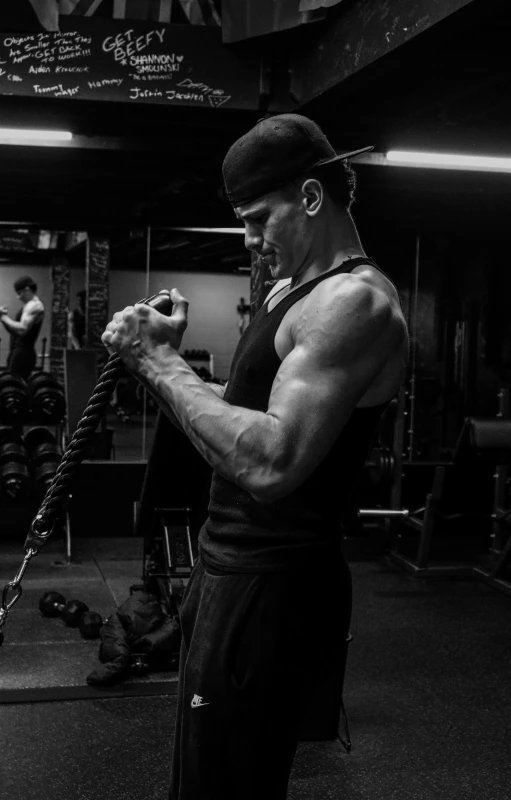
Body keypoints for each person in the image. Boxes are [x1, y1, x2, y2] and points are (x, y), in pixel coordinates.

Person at [102, 113, 409, 799]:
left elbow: (272, 461)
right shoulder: (286, 290)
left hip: (273, 580)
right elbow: (246, 411)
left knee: (227, 784)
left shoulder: (350, 303)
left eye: (256, 219)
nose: (248, 239)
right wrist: (169, 363)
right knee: (204, 773)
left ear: (308, 197)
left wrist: (155, 362)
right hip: (230, 565)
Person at [0, 275, 44, 380]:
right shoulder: (28, 306)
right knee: (10, 384)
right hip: (18, 351)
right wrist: (3, 318)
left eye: (19, 293)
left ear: (27, 289)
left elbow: (22, 329)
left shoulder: (34, 305)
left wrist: (3, 316)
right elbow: (15, 331)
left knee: (13, 385)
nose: (18, 297)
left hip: (23, 353)